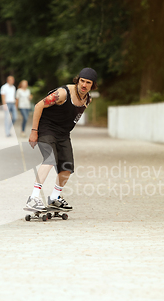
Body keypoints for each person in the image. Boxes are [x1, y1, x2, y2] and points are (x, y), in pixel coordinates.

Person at [25, 68, 97, 212]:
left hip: (63, 133)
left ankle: (55, 198)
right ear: (77, 80)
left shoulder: (87, 99)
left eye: (88, 83)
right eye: (82, 81)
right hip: (46, 128)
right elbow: (39, 105)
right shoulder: (63, 93)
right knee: (50, 159)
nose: (84, 85)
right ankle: (33, 198)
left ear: (92, 85)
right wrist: (34, 131)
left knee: (67, 167)